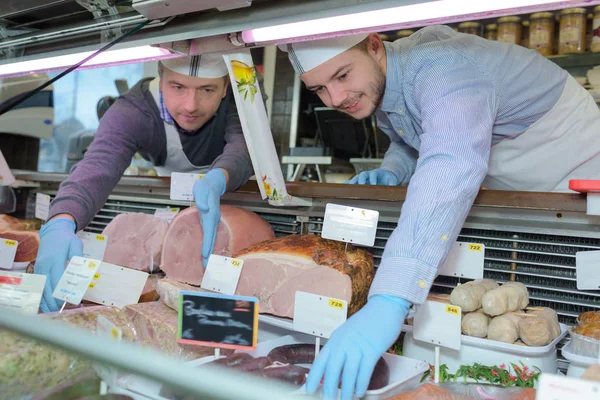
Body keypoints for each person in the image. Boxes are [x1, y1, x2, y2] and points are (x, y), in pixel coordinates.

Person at [281, 25, 600, 399]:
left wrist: (391, 298)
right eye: (319, 88)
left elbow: (451, 161)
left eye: (342, 75)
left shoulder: (442, 65)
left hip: (575, 171)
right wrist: (395, 168)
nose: (335, 97)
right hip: (508, 184)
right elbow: (409, 134)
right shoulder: (384, 79)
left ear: (373, 45)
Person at [35, 53, 255, 313]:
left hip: (234, 214)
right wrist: (61, 220)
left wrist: (221, 177)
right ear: (161, 78)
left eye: (207, 89)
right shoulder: (134, 109)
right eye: (178, 87)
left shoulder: (242, 91)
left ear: (225, 87)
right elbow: (98, 165)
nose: (190, 105)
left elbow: (245, 146)